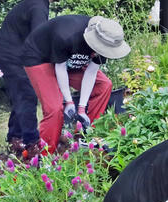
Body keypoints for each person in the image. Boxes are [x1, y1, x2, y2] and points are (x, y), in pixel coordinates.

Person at [0, 0, 76, 158]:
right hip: (11, 57)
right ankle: (32, 143)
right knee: (27, 96)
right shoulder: (38, 6)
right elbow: (40, 39)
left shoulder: (37, 2)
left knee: (22, 97)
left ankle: (15, 139)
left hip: (10, 55)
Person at [21, 14, 129, 152]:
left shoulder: (107, 42)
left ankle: (86, 136)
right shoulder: (66, 35)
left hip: (67, 61)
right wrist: (69, 102)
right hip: (39, 57)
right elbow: (60, 68)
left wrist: (81, 109)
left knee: (103, 85)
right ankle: (45, 156)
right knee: (54, 108)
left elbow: (91, 73)